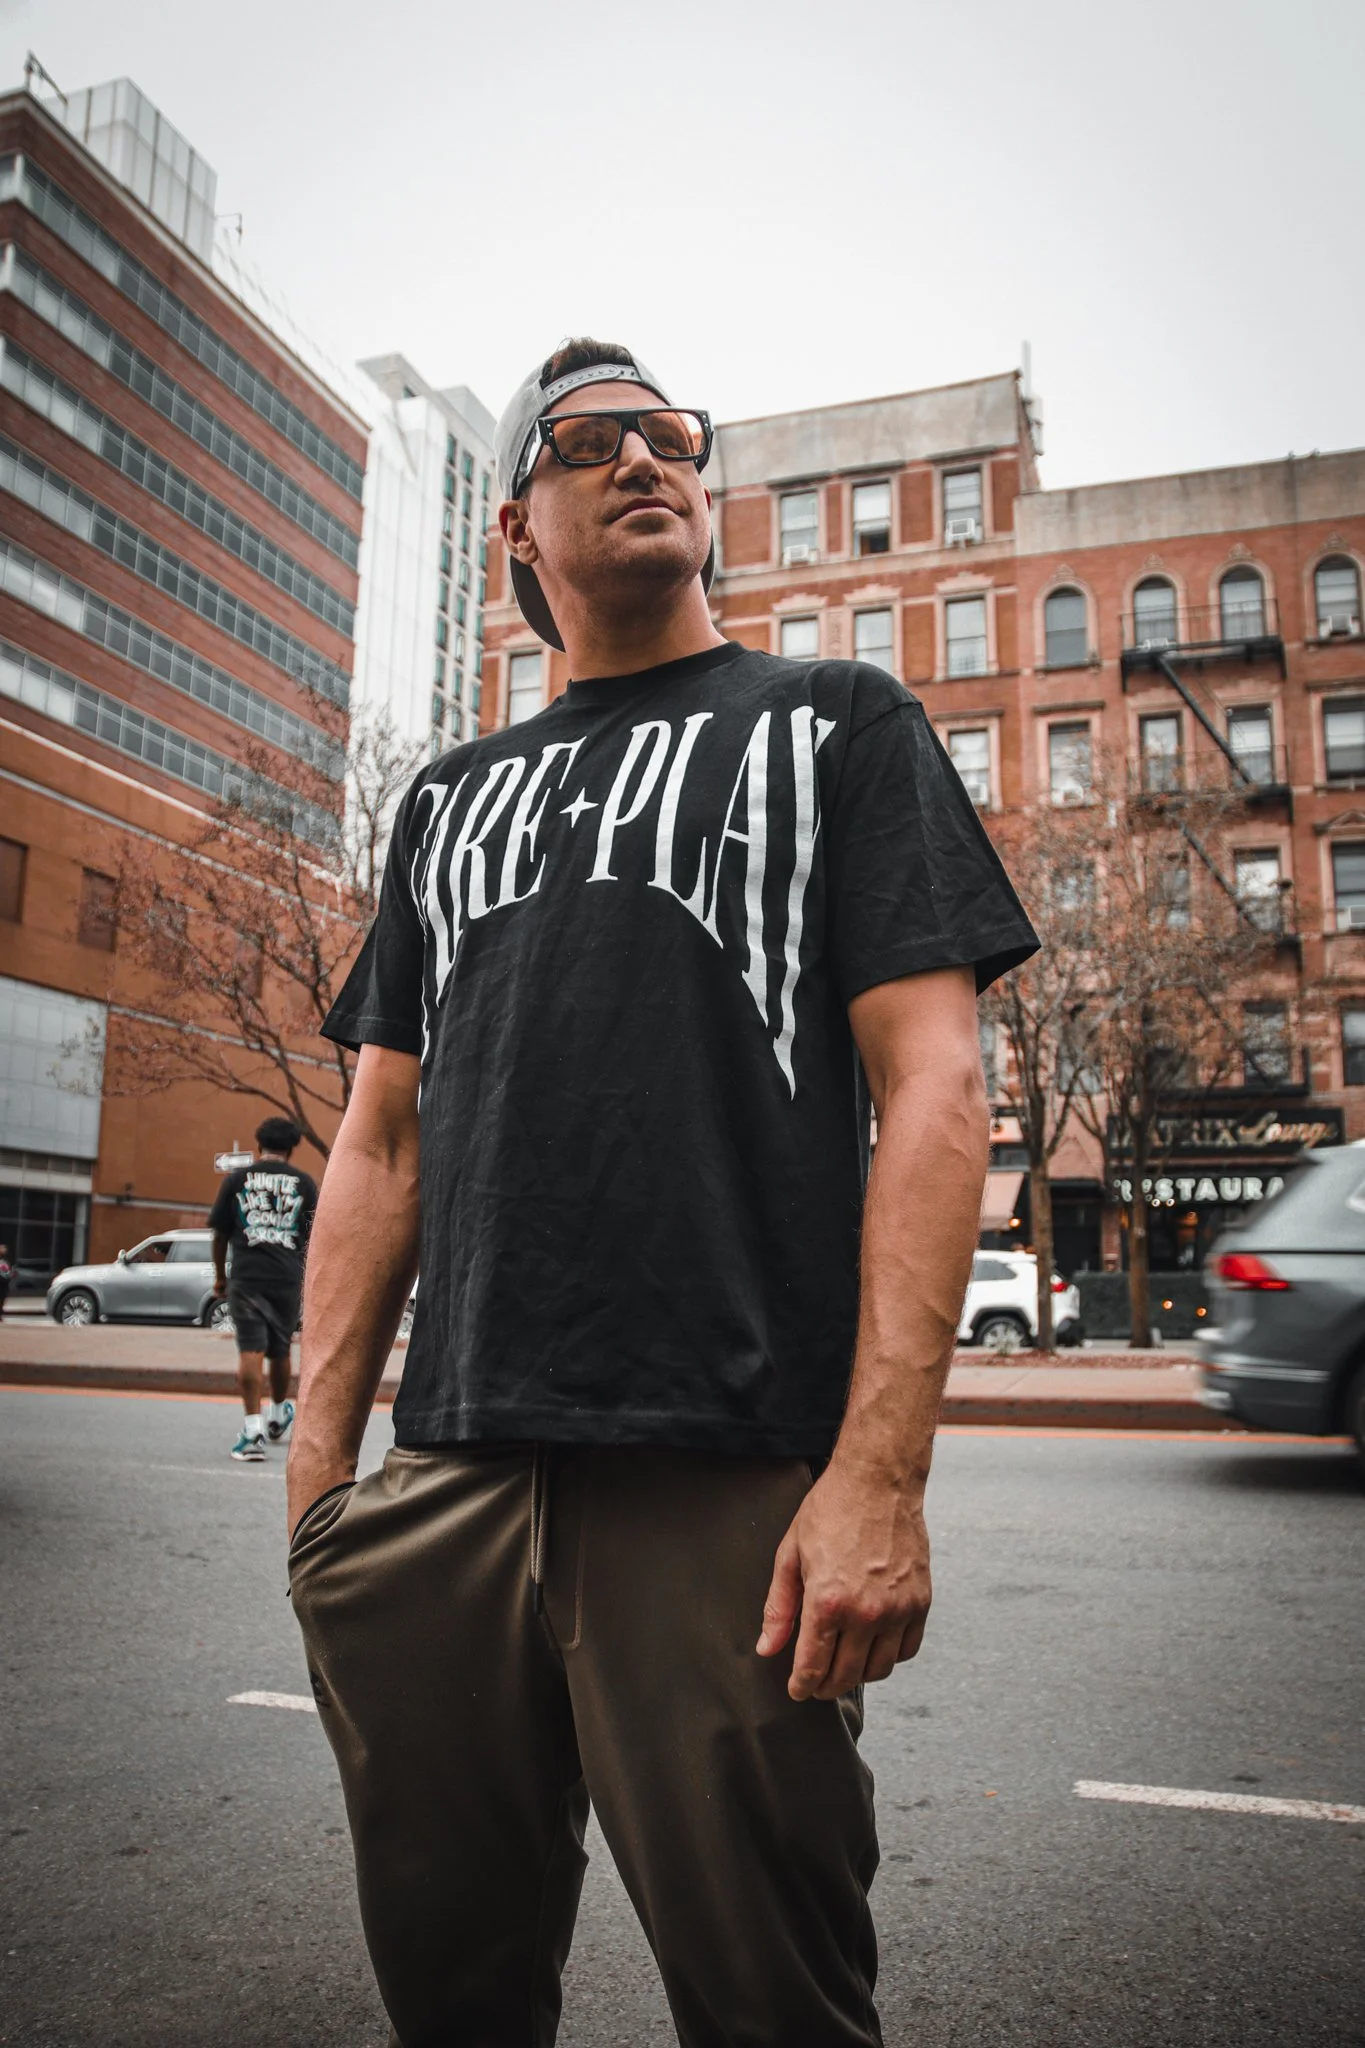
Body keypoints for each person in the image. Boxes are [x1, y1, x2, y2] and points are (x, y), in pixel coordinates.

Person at [287, 338, 1039, 2047]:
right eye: (591, 438)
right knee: (452, 2006)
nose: (647, 457)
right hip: (444, 1492)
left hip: (722, 1489)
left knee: (777, 2012)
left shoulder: (835, 724)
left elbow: (938, 1085)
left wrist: (877, 1476)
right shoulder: (446, 797)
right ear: (517, 531)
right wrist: (325, 1495)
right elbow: (381, 1139)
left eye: (675, 436)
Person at [209, 1117, 317, 1463]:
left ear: (259, 1145)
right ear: (291, 1148)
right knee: (280, 1348)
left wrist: (220, 1278)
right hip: (286, 1278)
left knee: (251, 1350)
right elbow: (313, 1238)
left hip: (247, 1276)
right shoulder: (304, 1183)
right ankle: (276, 1414)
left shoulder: (237, 1180)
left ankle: (252, 1430)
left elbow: (220, 1234)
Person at [0, 1242, 11, 1318]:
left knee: (2, 1298)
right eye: (3, 1249)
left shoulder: (5, 1261)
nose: (5, 1250)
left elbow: (7, 1270)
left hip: (4, 1282)